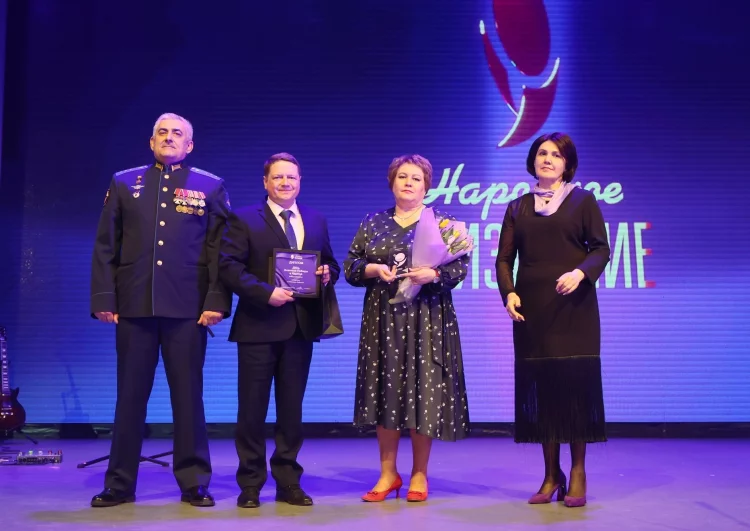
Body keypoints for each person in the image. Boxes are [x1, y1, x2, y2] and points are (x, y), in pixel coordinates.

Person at [89, 112, 231, 508]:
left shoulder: (210, 186)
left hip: (188, 309)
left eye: (177, 134)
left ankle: (194, 482)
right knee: (129, 398)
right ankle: (119, 483)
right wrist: (104, 297)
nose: (169, 137)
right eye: (162, 133)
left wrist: (217, 299)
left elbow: (219, 251)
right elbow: (106, 244)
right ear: (151, 142)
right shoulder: (124, 182)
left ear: (190, 145)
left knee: (188, 399)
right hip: (134, 307)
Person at [344, 154, 470, 503]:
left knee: (422, 391)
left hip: (426, 316)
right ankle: (388, 474)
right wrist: (372, 269)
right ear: (392, 182)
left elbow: (459, 268)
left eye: (416, 178)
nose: (409, 182)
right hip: (383, 319)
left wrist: (434, 274)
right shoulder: (373, 222)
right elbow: (351, 266)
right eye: (402, 176)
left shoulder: (442, 223)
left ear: (426, 185)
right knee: (384, 391)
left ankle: (418, 474)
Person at [219, 152, 340, 509]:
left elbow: (330, 262)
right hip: (257, 325)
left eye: (291, 177)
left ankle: (288, 481)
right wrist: (265, 293)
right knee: (251, 412)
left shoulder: (315, 219)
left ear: (300, 182)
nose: (285, 183)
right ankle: (250, 484)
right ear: (266, 182)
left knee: (291, 412)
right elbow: (228, 266)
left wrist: (327, 273)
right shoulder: (244, 218)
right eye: (278, 177)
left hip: (301, 328)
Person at [495, 132, 610, 508]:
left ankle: (577, 472)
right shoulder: (518, 207)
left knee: (574, 389)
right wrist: (509, 292)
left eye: (556, 155)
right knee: (543, 391)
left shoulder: (583, 200)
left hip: (575, 309)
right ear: (533, 160)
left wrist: (580, 273)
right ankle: (550, 474)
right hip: (533, 310)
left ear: (567, 164)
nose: (547, 159)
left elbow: (601, 249)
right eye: (542, 153)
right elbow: (504, 259)